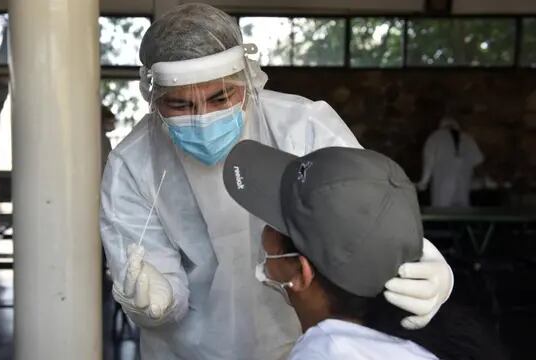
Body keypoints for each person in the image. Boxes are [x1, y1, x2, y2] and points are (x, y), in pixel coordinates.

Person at [100, 4, 453, 359]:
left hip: (298, 338)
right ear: (152, 98)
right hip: (189, 350)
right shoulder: (132, 164)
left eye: (220, 97)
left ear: (248, 77)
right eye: (179, 105)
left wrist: (423, 258)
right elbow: (149, 273)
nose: (202, 118)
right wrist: (155, 300)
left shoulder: (302, 125)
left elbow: (363, 206)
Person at [223, 140, 507, 360]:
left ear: (300, 271)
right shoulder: (425, 342)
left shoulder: (327, 353)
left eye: (273, 220)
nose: (263, 228)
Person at [418, 117, 484, 207]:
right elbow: (478, 161)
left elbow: (429, 161)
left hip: (442, 185)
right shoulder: (468, 139)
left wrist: (423, 182)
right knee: (462, 214)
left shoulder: (435, 137)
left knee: (442, 212)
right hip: (463, 185)